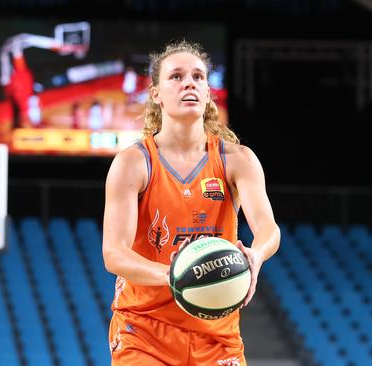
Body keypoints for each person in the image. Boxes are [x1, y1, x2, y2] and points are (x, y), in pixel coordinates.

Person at [102, 40, 281, 366]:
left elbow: (268, 228)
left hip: (217, 333)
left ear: (208, 92)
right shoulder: (133, 163)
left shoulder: (238, 160)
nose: (190, 83)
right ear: (155, 93)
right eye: (176, 76)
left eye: (199, 77)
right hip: (144, 330)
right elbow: (114, 254)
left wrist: (256, 254)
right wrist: (177, 274)